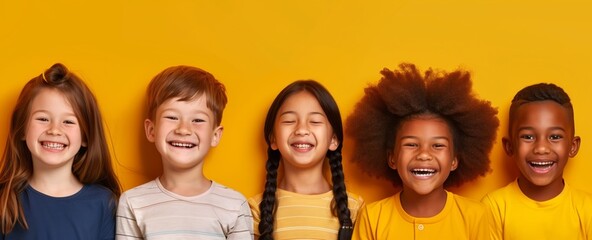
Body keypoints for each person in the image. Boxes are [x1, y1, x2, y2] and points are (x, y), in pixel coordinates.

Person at [347, 63, 498, 239]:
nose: (424, 154)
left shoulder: (476, 216)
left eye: (438, 145)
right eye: (411, 144)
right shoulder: (372, 217)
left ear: (454, 160)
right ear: (392, 158)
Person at [115, 65, 252, 239]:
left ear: (215, 135)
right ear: (151, 130)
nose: (184, 129)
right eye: (172, 117)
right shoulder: (132, 202)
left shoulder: (234, 204)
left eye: (198, 120)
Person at [0, 63, 121, 239]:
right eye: (43, 118)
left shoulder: (104, 203)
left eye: (68, 122)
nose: (54, 130)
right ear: (22, 129)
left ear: (86, 136)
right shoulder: (4, 200)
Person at [481, 83, 592, 239]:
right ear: (510, 146)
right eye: (528, 137)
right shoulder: (494, 207)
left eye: (555, 137)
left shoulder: (588, 207)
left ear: (572, 146)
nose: (541, 148)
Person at [249, 80, 363, 240]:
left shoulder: (355, 208)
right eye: (289, 121)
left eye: (315, 122)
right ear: (273, 138)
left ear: (333, 140)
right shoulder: (255, 209)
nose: (301, 130)